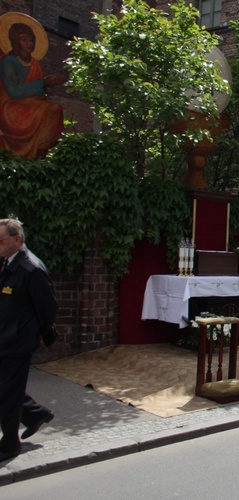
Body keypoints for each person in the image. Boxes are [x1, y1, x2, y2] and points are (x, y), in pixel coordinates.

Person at [0, 217, 58, 461]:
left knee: (7, 392)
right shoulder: (6, 262)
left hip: (17, 341)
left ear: (18, 239)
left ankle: (10, 444)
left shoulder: (31, 268)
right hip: (4, 337)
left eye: (0, 240)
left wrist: (36, 334)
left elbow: (48, 308)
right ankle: (35, 414)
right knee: (6, 389)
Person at [0, 19, 66, 159]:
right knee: (51, 109)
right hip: (9, 107)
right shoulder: (8, 61)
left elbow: (40, 95)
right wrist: (44, 83)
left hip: (31, 104)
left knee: (54, 110)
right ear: (15, 41)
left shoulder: (35, 63)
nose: (28, 43)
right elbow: (13, 90)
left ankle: (40, 155)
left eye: (31, 40)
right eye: (24, 40)